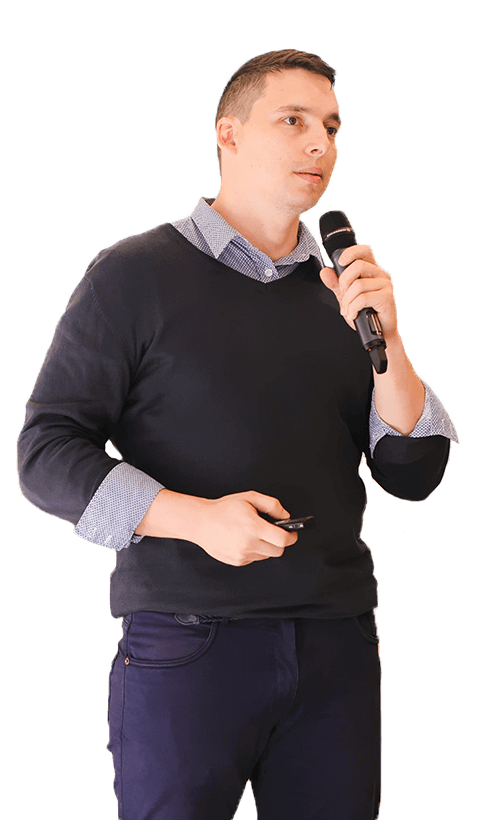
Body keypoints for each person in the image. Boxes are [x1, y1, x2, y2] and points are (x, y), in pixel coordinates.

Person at [17, 49, 459, 820]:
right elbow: (45, 452)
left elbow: (414, 473)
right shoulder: (130, 274)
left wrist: (389, 338)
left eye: (332, 127)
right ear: (227, 133)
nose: (320, 143)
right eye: (293, 120)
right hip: (187, 644)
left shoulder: (345, 291)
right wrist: (194, 519)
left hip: (336, 645)